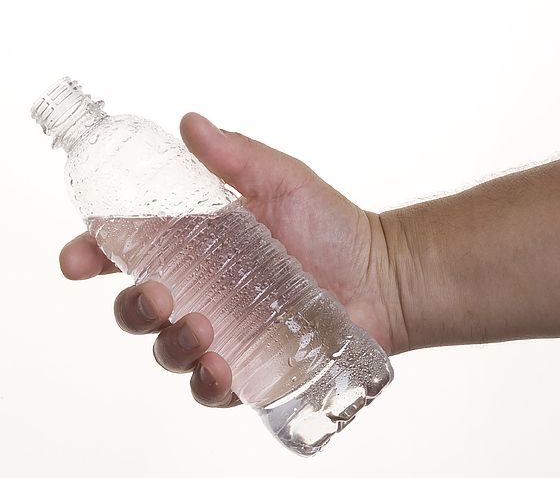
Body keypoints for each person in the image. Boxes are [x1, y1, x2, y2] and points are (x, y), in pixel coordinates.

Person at [58, 113, 560, 408]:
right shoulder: (93, 173)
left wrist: (384, 273)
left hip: (321, 329)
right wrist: (385, 275)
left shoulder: (122, 143)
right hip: (297, 362)